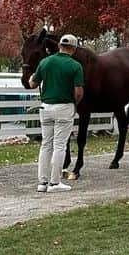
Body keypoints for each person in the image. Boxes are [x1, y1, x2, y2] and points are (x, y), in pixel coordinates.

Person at [28, 33, 84, 194]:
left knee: (46, 145)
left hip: (45, 107)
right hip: (64, 107)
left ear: (59, 46)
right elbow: (79, 92)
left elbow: (32, 84)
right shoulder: (75, 66)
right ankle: (55, 182)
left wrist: (34, 76)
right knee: (59, 146)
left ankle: (42, 182)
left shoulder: (45, 62)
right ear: (73, 48)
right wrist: (74, 104)